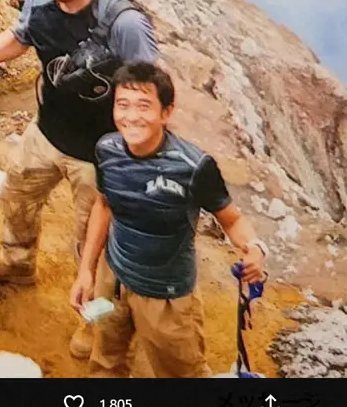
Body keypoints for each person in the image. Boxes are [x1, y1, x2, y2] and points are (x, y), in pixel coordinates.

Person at [0, 0, 158, 359]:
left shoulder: (123, 23)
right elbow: (23, 37)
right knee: (17, 197)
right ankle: (17, 263)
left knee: (96, 244)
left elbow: (149, 91)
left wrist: (138, 158)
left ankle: (97, 322)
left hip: (102, 154)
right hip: (47, 131)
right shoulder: (42, 0)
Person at [70, 62, 268, 378]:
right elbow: (104, 206)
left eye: (144, 106)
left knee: (181, 375)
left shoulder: (193, 167)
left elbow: (231, 220)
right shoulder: (106, 149)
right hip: (113, 280)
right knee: (105, 360)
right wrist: (86, 272)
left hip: (166, 295)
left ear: (166, 112)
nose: (131, 116)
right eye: (123, 105)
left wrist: (254, 248)